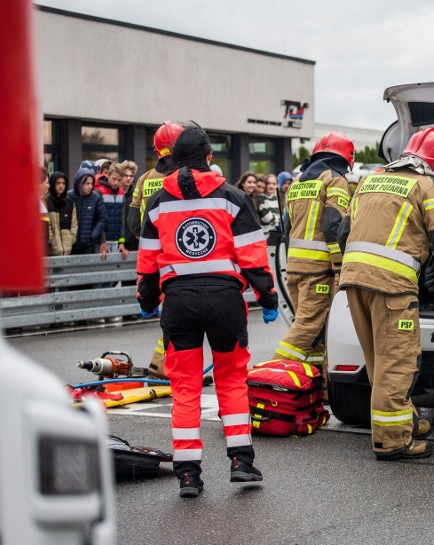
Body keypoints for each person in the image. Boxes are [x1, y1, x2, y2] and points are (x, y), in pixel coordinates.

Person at [136, 121, 279, 498]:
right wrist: (268, 298)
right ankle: (241, 462)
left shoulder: (158, 202)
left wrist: (147, 301)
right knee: (231, 381)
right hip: (225, 301)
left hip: (178, 303)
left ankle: (187, 474)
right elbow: (252, 256)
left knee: (184, 387)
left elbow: (148, 264)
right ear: (210, 158)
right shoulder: (232, 197)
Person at [338, 128, 434, 460]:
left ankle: (406, 421)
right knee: (397, 362)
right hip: (391, 286)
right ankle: (392, 441)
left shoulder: (369, 181)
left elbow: (344, 231)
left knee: (377, 360)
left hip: (355, 280)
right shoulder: (429, 187)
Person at [271, 132, 353, 383]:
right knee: (308, 327)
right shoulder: (334, 180)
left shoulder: (297, 182)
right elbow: (333, 224)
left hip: (295, 266)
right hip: (320, 268)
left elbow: (286, 227)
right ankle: (269, 379)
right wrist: (340, 265)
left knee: (317, 333)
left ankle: (319, 385)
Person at [128, 121, 182, 379]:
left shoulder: (145, 178)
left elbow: (132, 223)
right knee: (176, 317)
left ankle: (172, 365)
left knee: (173, 316)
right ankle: (161, 366)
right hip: (176, 256)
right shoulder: (181, 177)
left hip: (149, 256)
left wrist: (147, 241)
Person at [68, 166, 107, 258]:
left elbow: (102, 218)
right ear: (79, 184)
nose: (90, 186)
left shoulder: (96, 197)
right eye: (87, 183)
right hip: (71, 244)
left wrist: (92, 235)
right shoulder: (69, 196)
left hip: (89, 245)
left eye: (92, 183)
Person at [94, 163, 127, 257]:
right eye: (114, 179)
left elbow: (122, 220)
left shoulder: (121, 194)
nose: (116, 182)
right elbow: (98, 220)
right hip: (101, 243)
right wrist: (102, 242)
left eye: (119, 180)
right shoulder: (99, 193)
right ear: (108, 175)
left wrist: (121, 242)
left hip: (116, 242)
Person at [45, 170, 78, 256]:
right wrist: (51, 242)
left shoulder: (70, 203)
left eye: (63, 183)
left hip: (67, 251)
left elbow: (74, 224)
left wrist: (71, 240)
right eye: (58, 183)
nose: (61, 186)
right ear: (52, 184)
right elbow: (46, 226)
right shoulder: (46, 201)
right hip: (52, 252)